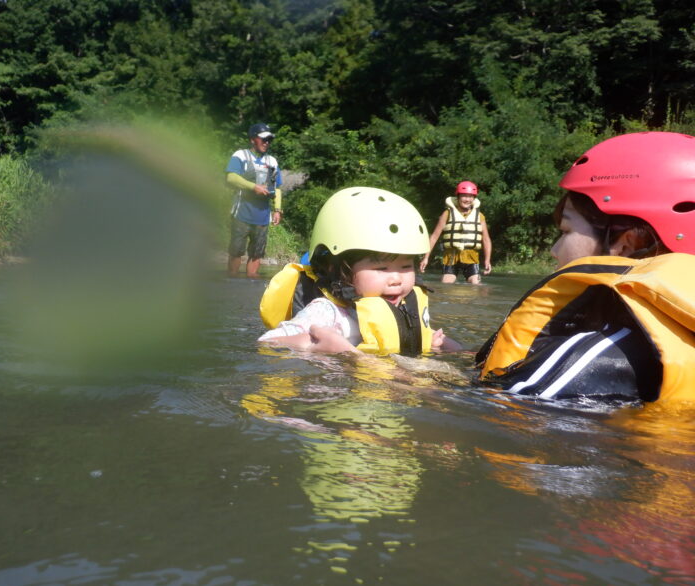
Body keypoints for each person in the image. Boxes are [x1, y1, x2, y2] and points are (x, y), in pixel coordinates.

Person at [476, 131, 695, 407]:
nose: (554, 250)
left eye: (566, 230)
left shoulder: (595, 359)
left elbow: (500, 412)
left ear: (626, 245)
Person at [258, 186, 461, 355]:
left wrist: (441, 344)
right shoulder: (327, 312)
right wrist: (310, 345)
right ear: (336, 268)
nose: (396, 279)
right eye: (382, 268)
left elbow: (420, 335)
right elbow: (267, 341)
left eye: (406, 266)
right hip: (334, 397)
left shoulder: (405, 304)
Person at [226, 122, 283, 277]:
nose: (267, 142)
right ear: (252, 139)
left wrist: (278, 210)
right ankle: (231, 284)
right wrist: (253, 187)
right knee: (236, 252)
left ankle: (252, 287)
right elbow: (231, 177)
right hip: (241, 214)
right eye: (263, 139)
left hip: (263, 217)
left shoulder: (272, 161)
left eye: (269, 139)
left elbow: (277, 188)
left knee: (257, 253)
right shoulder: (240, 155)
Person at [422, 180, 492, 284]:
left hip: (471, 257)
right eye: (464, 196)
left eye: (470, 196)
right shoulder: (447, 214)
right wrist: (426, 258)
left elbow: (486, 240)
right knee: (446, 284)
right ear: (458, 197)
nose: (467, 199)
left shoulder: (480, 216)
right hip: (451, 257)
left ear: (474, 198)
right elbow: (434, 237)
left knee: (475, 284)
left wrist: (487, 260)